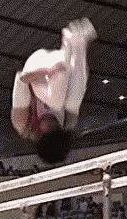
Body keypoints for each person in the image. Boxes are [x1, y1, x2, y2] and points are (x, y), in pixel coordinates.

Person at [11, 17, 96, 164]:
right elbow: (78, 85)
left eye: (50, 127)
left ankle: (66, 52)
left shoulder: (23, 123)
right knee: (72, 103)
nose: (53, 122)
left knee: (56, 103)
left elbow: (21, 78)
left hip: (37, 64)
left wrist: (48, 72)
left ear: (38, 136)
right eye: (57, 126)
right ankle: (77, 43)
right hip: (62, 63)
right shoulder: (68, 123)